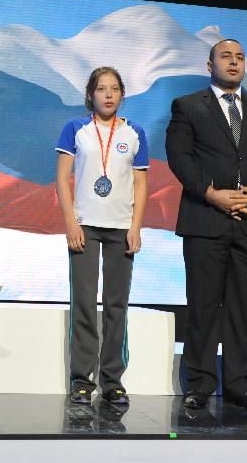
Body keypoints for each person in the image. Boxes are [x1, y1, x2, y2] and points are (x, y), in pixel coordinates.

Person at [165, 39, 247, 411]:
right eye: (226, 57)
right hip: (205, 219)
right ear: (210, 65)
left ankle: (238, 385)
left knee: (241, 308)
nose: (234, 62)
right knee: (203, 307)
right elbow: (179, 157)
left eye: (240, 57)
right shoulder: (188, 106)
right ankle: (200, 384)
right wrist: (212, 194)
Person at [55, 66, 148, 406]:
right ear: (90, 95)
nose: (108, 94)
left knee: (116, 305)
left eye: (114, 89)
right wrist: (71, 223)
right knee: (83, 302)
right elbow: (61, 178)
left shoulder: (135, 132)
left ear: (122, 94)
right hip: (85, 226)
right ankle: (82, 379)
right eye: (101, 89)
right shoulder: (75, 129)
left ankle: (112, 380)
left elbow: (141, 183)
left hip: (121, 228)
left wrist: (136, 227)